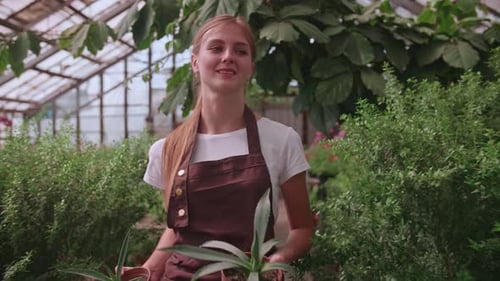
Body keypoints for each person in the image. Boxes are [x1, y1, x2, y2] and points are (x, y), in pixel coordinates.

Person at [138, 14, 314, 281]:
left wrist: (276, 260)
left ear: (251, 67)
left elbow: (302, 228)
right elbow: (178, 230)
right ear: (195, 63)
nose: (228, 56)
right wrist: (146, 272)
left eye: (240, 51)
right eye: (216, 48)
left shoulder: (281, 140)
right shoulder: (167, 149)